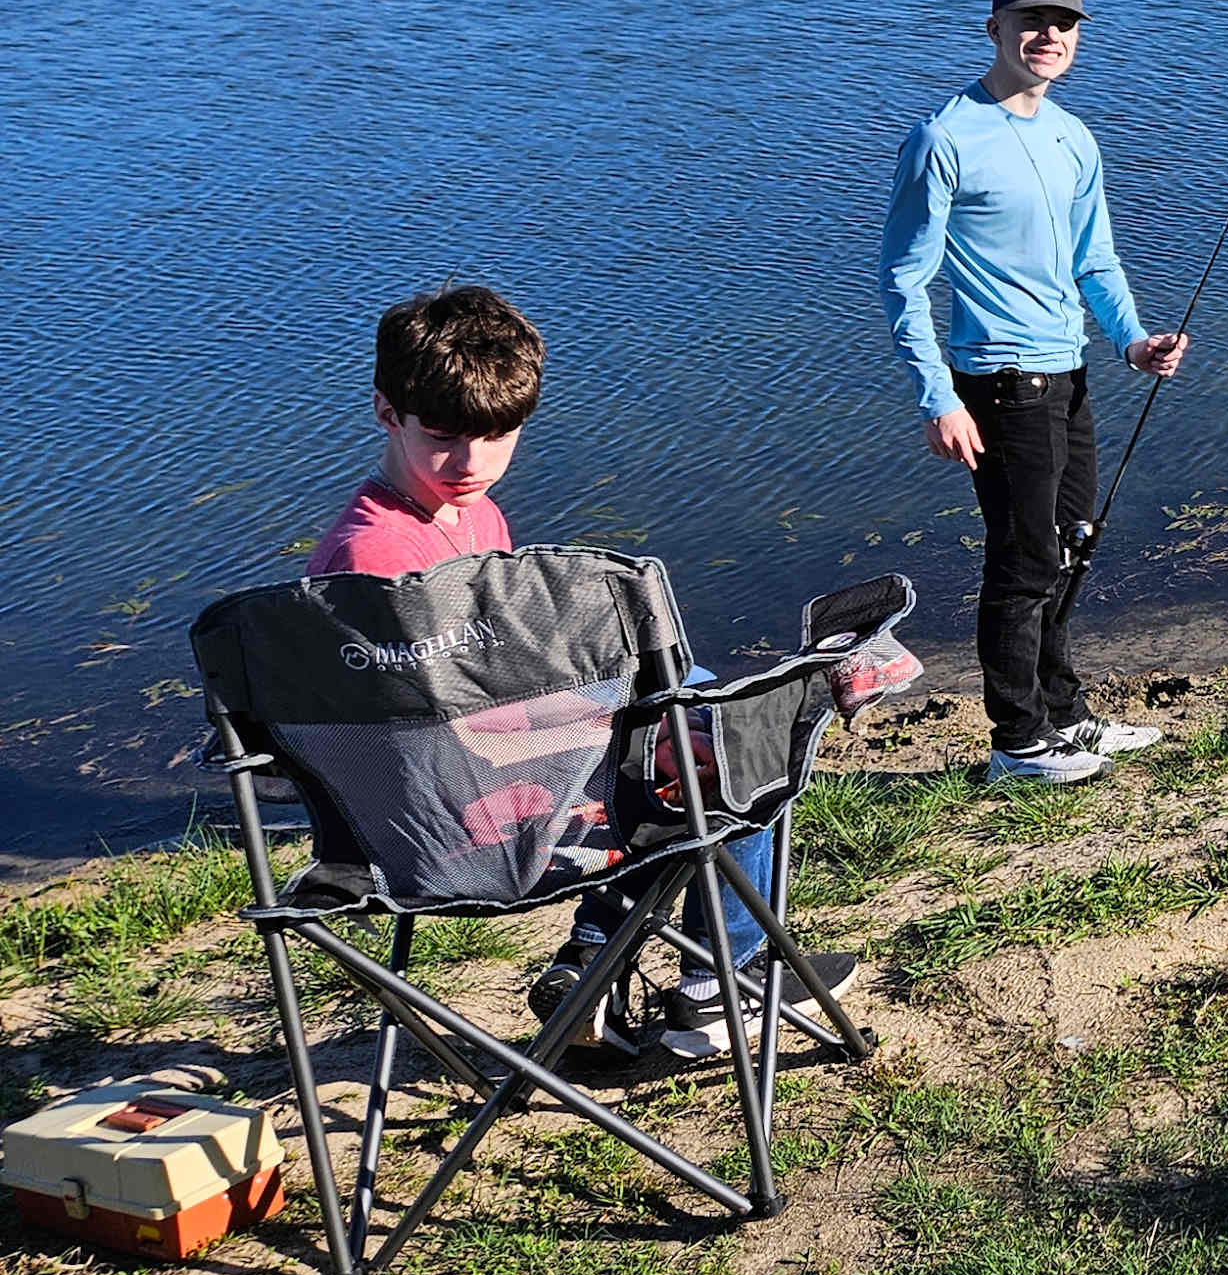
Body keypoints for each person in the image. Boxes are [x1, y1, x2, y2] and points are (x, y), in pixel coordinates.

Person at [307, 287, 843, 1060]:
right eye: (446, 438)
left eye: (497, 437)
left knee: (688, 708)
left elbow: (494, 684)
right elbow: (445, 737)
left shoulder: (465, 515)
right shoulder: (378, 565)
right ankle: (721, 985)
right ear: (386, 411)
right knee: (727, 762)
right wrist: (623, 726)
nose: (471, 463)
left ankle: (592, 962)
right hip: (452, 831)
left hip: (475, 789)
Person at [882, 0, 1190, 787]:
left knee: (1072, 546)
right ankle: (1016, 742)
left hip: (1071, 372)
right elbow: (903, 280)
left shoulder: (1072, 136)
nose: (1047, 36)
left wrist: (1132, 342)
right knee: (1023, 559)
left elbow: (1098, 261)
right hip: (999, 382)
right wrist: (937, 396)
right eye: (1030, 21)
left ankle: (1067, 716)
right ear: (994, 29)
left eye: (1063, 24)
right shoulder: (944, 137)